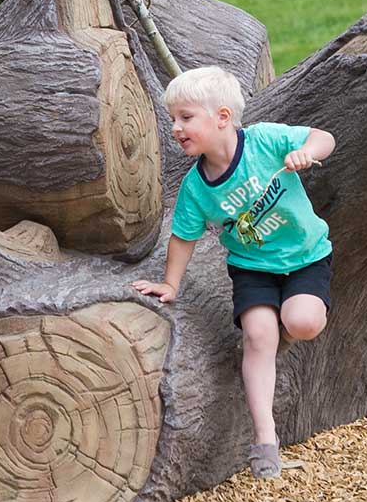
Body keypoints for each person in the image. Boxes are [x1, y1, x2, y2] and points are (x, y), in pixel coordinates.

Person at [129, 66, 336, 479]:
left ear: (222, 117)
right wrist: (170, 284)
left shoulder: (264, 141)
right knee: (259, 336)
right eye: (173, 119)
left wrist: (307, 151)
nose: (176, 128)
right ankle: (265, 440)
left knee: (303, 321)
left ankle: (287, 330)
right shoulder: (196, 188)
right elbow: (183, 237)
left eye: (186, 118)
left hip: (306, 256)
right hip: (252, 268)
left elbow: (324, 137)